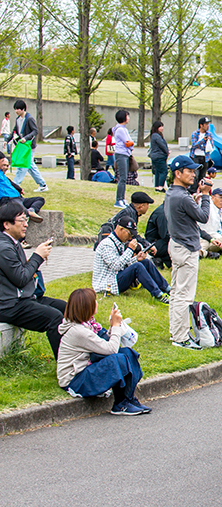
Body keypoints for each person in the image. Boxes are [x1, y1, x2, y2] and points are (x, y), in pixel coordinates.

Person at [57, 288, 150, 415]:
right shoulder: (79, 332)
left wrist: (113, 326)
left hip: (86, 370)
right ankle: (121, 404)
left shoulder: (89, 325)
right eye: (94, 301)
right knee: (117, 359)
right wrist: (116, 326)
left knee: (127, 353)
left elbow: (104, 344)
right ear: (87, 307)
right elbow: (111, 349)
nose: (97, 303)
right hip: (75, 380)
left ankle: (128, 399)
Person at [0, 202, 66, 359]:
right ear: (6, 224)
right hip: (9, 305)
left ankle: (81, 355)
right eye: (21, 220)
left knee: (68, 309)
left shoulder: (12, 243)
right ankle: (65, 368)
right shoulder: (3, 247)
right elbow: (21, 278)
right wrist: (37, 256)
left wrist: (35, 260)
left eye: (26, 220)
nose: (25, 225)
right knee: (54, 318)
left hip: (24, 298)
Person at [164, 155, 211, 350]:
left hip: (177, 245)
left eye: (194, 171)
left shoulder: (172, 193)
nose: (193, 175)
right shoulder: (182, 197)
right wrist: (206, 195)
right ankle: (181, 337)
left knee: (176, 293)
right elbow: (203, 217)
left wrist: (194, 199)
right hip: (186, 248)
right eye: (189, 171)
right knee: (184, 296)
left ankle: (176, 332)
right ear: (178, 173)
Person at [92, 216, 170, 303]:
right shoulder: (107, 245)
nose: (130, 238)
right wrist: (130, 250)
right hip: (107, 284)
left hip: (115, 278)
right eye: (129, 234)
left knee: (145, 262)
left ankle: (167, 289)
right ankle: (158, 295)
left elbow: (123, 264)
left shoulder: (119, 242)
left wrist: (136, 258)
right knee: (137, 267)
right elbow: (116, 266)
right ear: (121, 229)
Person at [10, 100, 48, 192]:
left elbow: (35, 131)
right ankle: (42, 184)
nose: (16, 111)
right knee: (29, 165)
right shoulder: (18, 119)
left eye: (18, 109)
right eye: (15, 109)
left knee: (23, 165)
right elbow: (15, 131)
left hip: (29, 146)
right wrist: (7, 140)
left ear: (23, 109)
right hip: (23, 146)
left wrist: (26, 138)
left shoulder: (29, 118)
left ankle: (15, 185)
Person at [0, 154, 44, 223]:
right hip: (8, 199)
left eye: (7, 165)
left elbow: (10, 182)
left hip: (18, 198)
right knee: (20, 209)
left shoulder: (2, 175)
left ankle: (31, 210)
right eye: (3, 163)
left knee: (40, 199)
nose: (5, 167)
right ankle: (25, 214)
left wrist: (19, 189)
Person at [112, 110, 134, 208]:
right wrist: (131, 144)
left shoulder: (124, 129)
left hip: (125, 154)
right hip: (121, 154)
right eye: (127, 116)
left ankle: (122, 198)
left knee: (124, 177)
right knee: (123, 177)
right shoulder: (120, 129)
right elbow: (128, 142)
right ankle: (118, 199)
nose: (128, 118)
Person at [190, 116, 213, 193]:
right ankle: (193, 190)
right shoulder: (195, 133)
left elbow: (211, 146)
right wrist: (203, 140)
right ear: (201, 125)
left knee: (202, 175)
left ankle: (200, 191)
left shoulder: (209, 134)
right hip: (196, 156)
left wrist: (203, 144)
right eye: (206, 124)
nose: (208, 126)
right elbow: (194, 145)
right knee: (195, 174)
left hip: (205, 157)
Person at [144, 202, 171, 269]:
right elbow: (165, 235)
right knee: (176, 246)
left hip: (159, 241)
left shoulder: (166, 210)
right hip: (153, 244)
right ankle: (157, 258)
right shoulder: (162, 213)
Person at [149, 120, 169, 193]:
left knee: (158, 171)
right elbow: (162, 145)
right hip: (159, 156)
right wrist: (167, 151)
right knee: (164, 171)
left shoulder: (154, 135)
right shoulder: (156, 136)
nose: (162, 128)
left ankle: (157, 186)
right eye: (160, 126)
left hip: (155, 156)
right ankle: (160, 187)